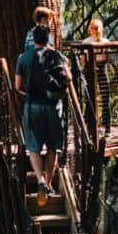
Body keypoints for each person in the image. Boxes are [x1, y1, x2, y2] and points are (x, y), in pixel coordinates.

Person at [15, 24, 68, 206]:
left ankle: (40, 181)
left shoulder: (23, 58)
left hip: (33, 107)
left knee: (34, 148)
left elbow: (17, 86)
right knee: (53, 147)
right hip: (54, 107)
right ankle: (50, 183)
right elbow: (68, 78)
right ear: (48, 38)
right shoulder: (58, 56)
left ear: (33, 38)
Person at [86, 18, 111, 132]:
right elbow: (83, 60)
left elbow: (107, 57)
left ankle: (107, 126)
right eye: (92, 28)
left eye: (96, 28)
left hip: (102, 67)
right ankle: (89, 124)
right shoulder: (86, 42)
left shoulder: (105, 41)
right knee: (89, 96)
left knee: (105, 96)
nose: (94, 30)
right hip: (90, 69)